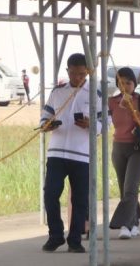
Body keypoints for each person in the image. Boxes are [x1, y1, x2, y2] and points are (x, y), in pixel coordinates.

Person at [40, 53, 101, 253]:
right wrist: (46, 125)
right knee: (50, 194)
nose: (77, 78)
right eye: (73, 73)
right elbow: (45, 116)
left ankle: (75, 240)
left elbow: (106, 122)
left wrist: (91, 124)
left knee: (80, 200)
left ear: (88, 72)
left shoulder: (95, 93)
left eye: (82, 74)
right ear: (67, 71)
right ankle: (55, 235)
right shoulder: (57, 92)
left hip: (82, 154)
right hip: (56, 153)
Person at [108, 67, 140, 239]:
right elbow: (104, 119)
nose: (125, 86)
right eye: (121, 83)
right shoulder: (112, 101)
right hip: (119, 147)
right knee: (124, 188)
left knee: (130, 188)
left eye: (128, 83)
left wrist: (133, 111)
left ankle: (124, 225)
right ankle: (134, 222)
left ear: (134, 83)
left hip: (139, 149)